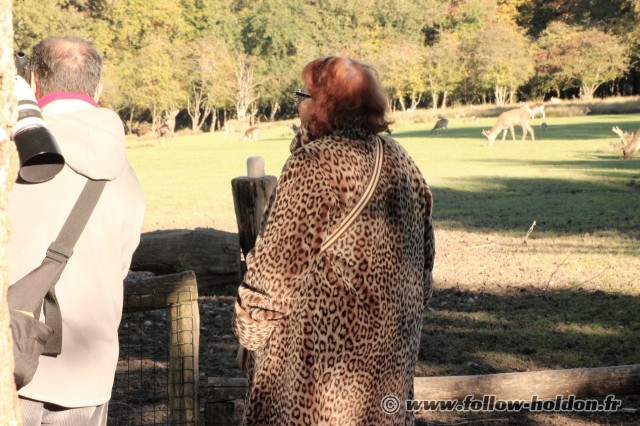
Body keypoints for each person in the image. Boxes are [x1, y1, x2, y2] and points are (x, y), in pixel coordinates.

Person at [233, 56, 435, 425]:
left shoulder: (313, 165)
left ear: (324, 105)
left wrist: (248, 333)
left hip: (320, 380)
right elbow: (425, 272)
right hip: (387, 373)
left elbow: (273, 275)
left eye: (302, 94)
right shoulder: (403, 161)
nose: (297, 104)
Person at [7, 35, 145, 425]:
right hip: (89, 369)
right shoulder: (126, 174)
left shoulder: (13, 156)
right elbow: (120, 265)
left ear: (33, 82)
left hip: (12, 360)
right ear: (97, 88)